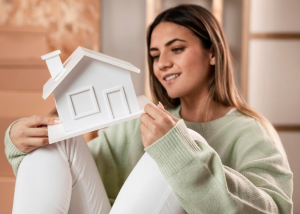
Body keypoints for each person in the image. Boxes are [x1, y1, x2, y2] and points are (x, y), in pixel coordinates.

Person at [4, 4, 293, 214]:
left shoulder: (251, 132)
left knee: (172, 148)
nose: (161, 63)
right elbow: (65, 176)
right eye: (155, 55)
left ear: (213, 53)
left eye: (176, 49)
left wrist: (179, 152)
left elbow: (273, 210)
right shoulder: (139, 119)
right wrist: (19, 140)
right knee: (58, 142)